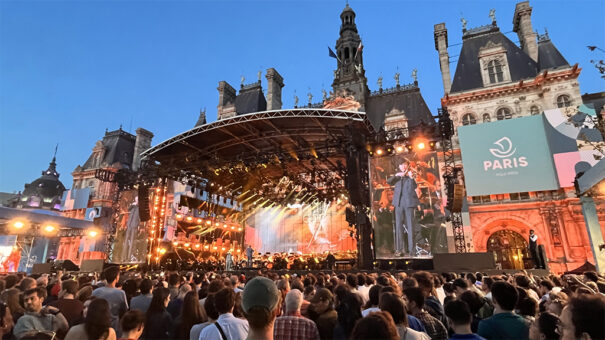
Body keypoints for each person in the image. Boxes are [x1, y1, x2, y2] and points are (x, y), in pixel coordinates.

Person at [387, 158, 420, 256]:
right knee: (398, 227)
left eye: (405, 164)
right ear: (399, 167)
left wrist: (411, 177)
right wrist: (397, 175)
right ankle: (399, 250)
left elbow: (414, 186)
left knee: (411, 226)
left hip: (409, 203)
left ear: (408, 165)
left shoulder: (411, 175)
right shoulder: (398, 176)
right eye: (401, 165)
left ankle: (412, 250)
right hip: (398, 203)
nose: (403, 166)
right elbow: (389, 181)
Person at [92, 266, 129, 332]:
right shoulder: (120, 293)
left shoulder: (95, 291)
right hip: (113, 326)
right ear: (116, 277)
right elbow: (125, 310)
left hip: (96, 325)